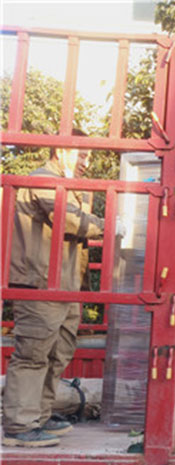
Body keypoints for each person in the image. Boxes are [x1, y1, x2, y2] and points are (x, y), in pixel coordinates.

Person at [3, 133, 104, 448]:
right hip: (40, 282)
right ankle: (20, 425)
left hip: (63, 285)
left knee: (58, 353)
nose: (87, 162)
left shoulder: (66, 185)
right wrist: (108, 224)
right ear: (61, 151)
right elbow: (69, 220)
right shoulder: (44, 180)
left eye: (90, 157)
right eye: (82, 155)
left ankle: (39, 416)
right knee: (33, 354)